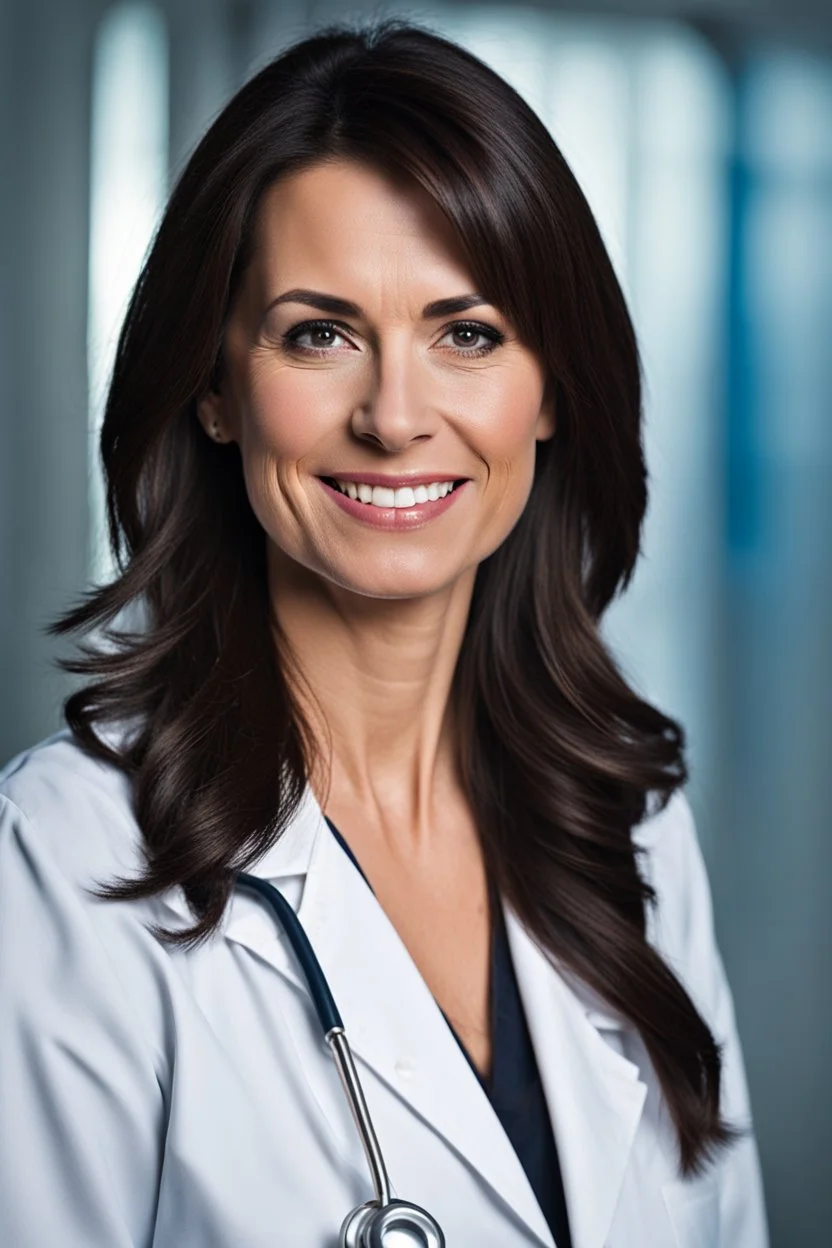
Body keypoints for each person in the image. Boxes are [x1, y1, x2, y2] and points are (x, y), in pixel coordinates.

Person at [0, 18, 768, 1247]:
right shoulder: (65, 863)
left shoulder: (627, 819)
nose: (396, 416)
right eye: (321, 334)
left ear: (551, 390)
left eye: (466, 334)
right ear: (214, 387)